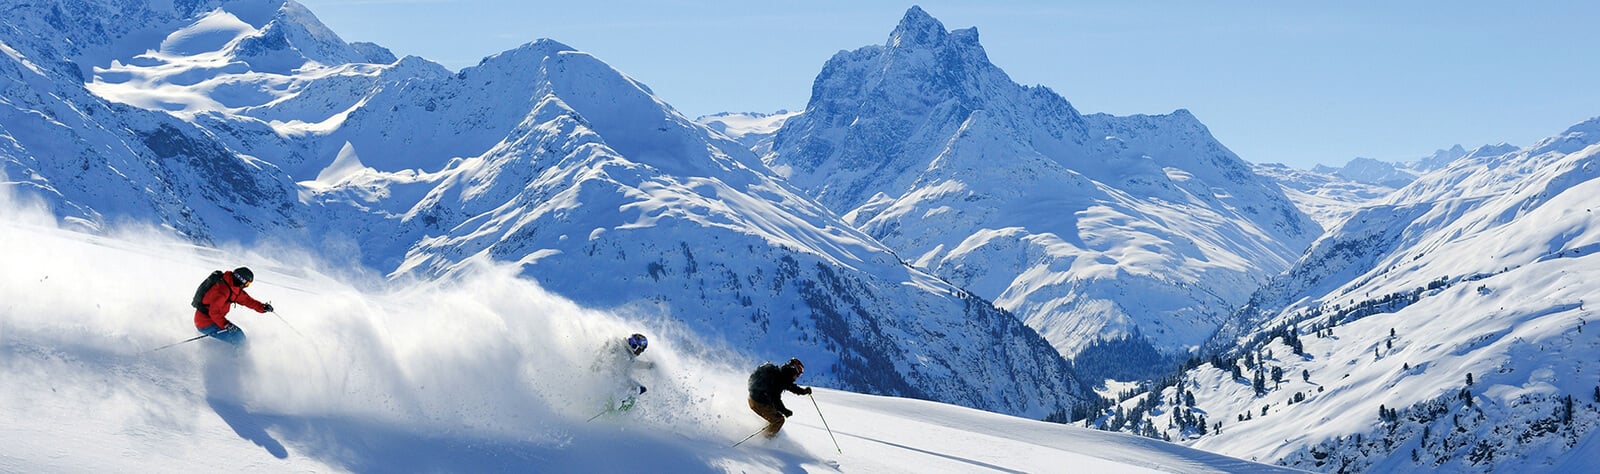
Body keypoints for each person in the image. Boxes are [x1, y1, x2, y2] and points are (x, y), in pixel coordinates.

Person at [193, 267, 272, 346]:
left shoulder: (232, 287)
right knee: (238, 338)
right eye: (247, 284)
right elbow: (214, 312)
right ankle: (234, 354)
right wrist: (226, 324)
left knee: (239, 336)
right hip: (205, 322)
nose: (246, 286)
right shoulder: (222, 290)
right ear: (241, 280)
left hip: (214, 320)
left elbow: (246, 300)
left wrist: (262, 307)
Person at [747, 358, 812, 438]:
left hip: (752, 398)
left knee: (775, 415)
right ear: (793, 371)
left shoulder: (780, 374)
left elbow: (790, 386)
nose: (797, 377)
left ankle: (767, 432)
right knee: (779, 420)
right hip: (759, 403)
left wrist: (803, 391)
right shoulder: (780, 379)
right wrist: (785, 411)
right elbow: (775, 399)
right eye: (798, 375)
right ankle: (766, 439)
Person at [591, 333, 654, 413]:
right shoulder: (620, 346)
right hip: (609, 376)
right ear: (634, 345)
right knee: (637, 388)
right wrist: (598, 364)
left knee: (640, 389)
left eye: (641, 351)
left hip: (619, 378)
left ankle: (619, 404)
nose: (639, 353)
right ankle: (616, 404)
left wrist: (648, 365)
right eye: (640, 350)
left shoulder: (629, 355)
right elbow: (607, 350)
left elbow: (635, 364)